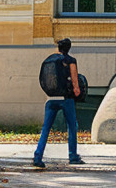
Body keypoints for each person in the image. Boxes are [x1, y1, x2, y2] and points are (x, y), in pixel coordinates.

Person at [31, 38, 83, 168]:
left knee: (46, 129)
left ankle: (38, 156)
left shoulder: (49, 60)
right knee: (72, 126)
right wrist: (77, 91)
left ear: (58, 48)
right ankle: (73, 156)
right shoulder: (70, 60)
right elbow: (75, 85)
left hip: (50, 98)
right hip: (65, 98)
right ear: (69, 48)